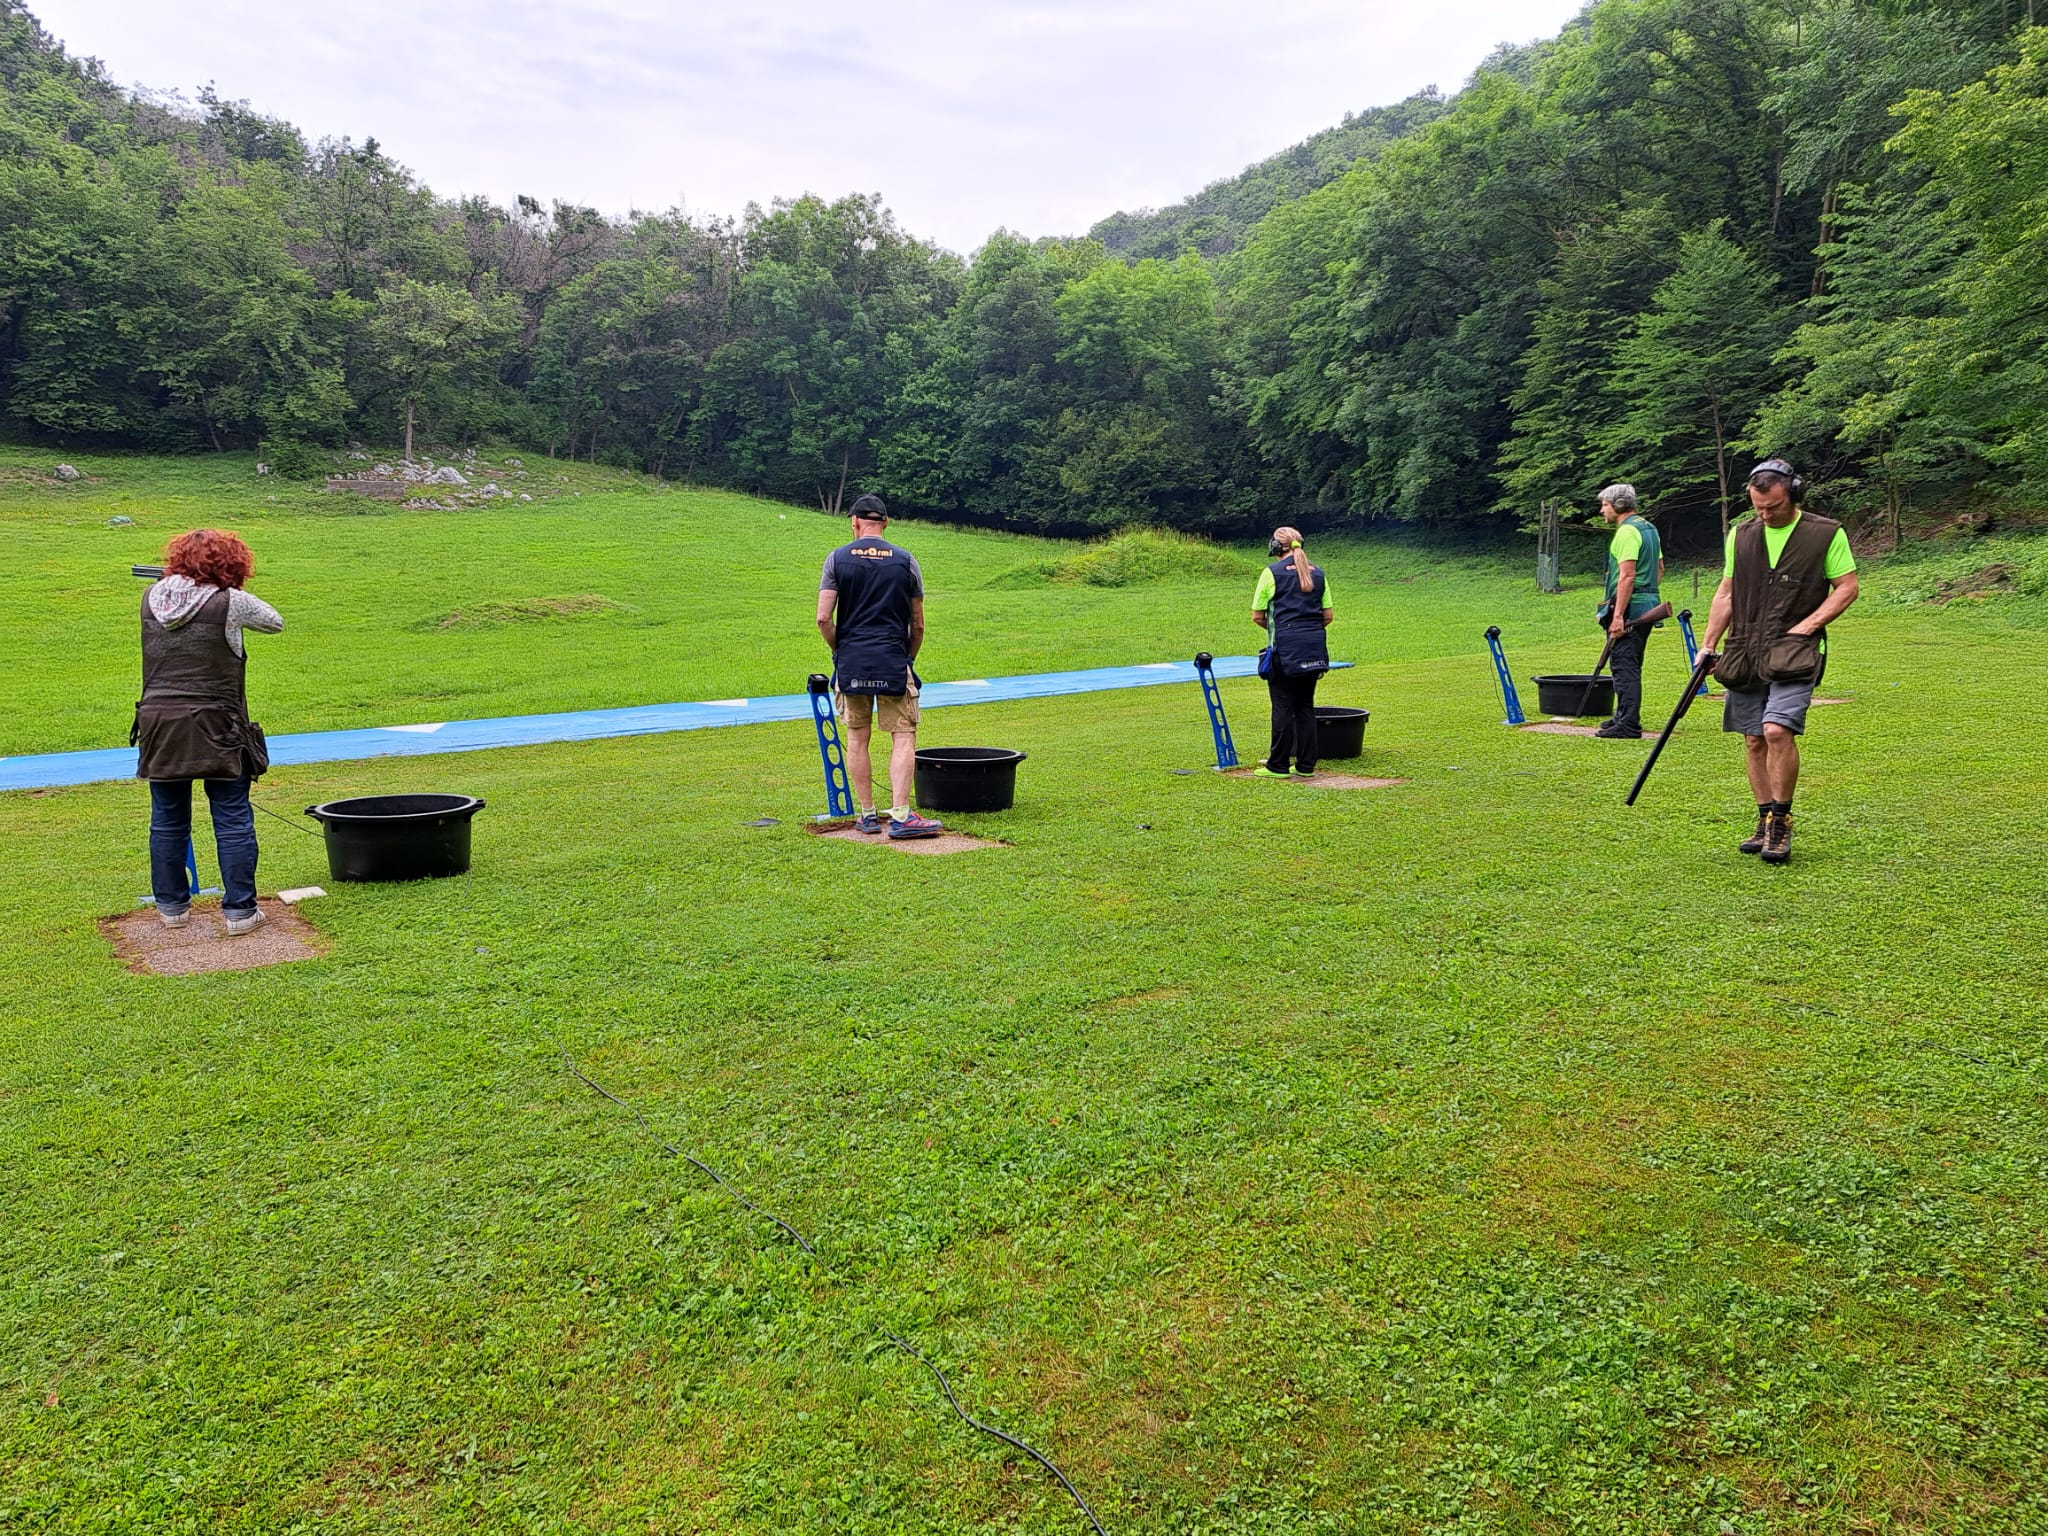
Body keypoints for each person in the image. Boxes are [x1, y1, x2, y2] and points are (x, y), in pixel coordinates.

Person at [1699, 459, 1858, 864]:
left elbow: (1846, 588)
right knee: (1752, 739)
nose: (1766, 515)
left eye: (1773, 507)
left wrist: (1810, 625)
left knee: (1775, 731)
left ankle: (1782, 822)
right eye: (1759, 508)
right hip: (1745, 650)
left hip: (1794, 652)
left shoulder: (1825, 533)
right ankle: (1764, 817)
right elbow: (1726, 593)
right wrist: (1708, 643)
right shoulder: (1742, 535)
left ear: (1794, 495)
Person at [133, 529, 284, 933]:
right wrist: (229, 590)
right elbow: (275, 622)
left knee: (166, 819)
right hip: (220, 725)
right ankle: (240, 912)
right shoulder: (230, 601)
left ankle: (171, 910)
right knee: (232, 817)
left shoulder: (151, 598)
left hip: (160, 725)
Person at [815, 493, 944, 839]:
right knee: (903, 735)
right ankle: (901, 815)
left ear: (854, 522)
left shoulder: (836, 559)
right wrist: (909, 658)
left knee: (857, 737)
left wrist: (840, 651)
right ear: (886, 522)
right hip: (892, 660)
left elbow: (823, 618)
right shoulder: (906, 561)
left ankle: (867, 815)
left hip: (852, 661)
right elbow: (918, 624)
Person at [1250, 526, 1334, 779]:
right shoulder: (1318, 573)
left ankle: (1278, 765)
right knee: (1305, 706)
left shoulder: (1271, 573)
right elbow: (1327, 616)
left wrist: (1281, 630)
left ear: (1275, 547)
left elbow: (1257, 615)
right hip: (1314, 646)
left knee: (1283, 706)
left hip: (1284, 649)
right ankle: (1306, 765)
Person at [1594, 483, 1664, 740]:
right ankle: (1622, 716)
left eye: (1605, 504)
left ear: (1619, 505)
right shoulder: (1649, 529)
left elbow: (1626, 576)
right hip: (1646, 605)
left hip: (1630, 608)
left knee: (1624, 666)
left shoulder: (1626, 532)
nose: (1602, 510)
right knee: (1630, 662)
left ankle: (1629, 724)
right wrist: (1648, 594)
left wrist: (1618, 616)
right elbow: (1659, 568)